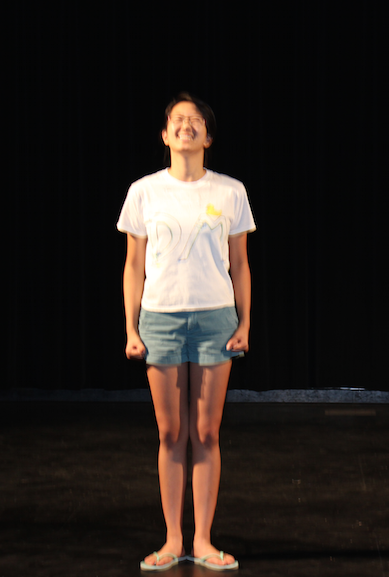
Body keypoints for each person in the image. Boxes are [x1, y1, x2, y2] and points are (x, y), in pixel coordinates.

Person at [117, 92, 255, 572]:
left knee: (206, 431)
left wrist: (244, 321)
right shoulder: (144, 191)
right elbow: (134, 263)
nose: (186, 125)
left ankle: (203, 540)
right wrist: (132, 327)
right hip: (161, 317)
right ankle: (173, 540)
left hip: (215, 316)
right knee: (171, 432)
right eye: (178, 120)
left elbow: (240, 263)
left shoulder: (230, 191)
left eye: (196, 120)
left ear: (208, 136)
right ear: (165, 134)